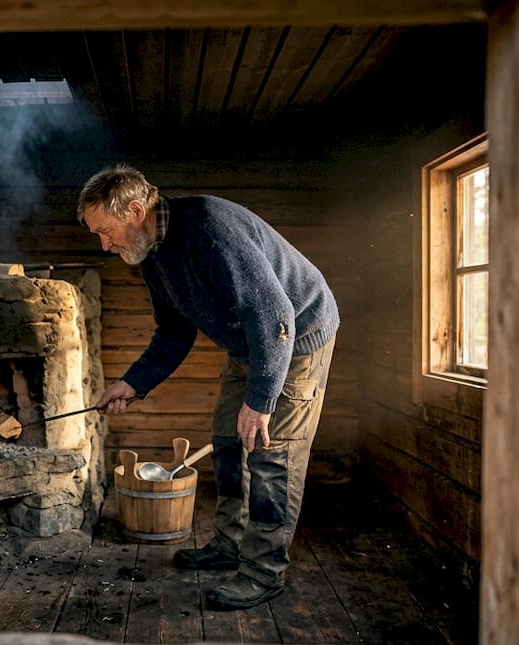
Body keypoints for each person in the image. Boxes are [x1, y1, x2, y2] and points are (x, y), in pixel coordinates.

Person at [78, 164, 340, 611]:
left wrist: (260, 402)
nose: (104, 244)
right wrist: (131, 384)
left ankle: (263, 572)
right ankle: (229, 544)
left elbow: (276, 316)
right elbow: (173, 333)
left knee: (271, 455)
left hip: (294, 338)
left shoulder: (209, 232)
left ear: (137, 210)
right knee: (226, 442)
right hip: (249, 343)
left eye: (106, 231)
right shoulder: (151, 256)